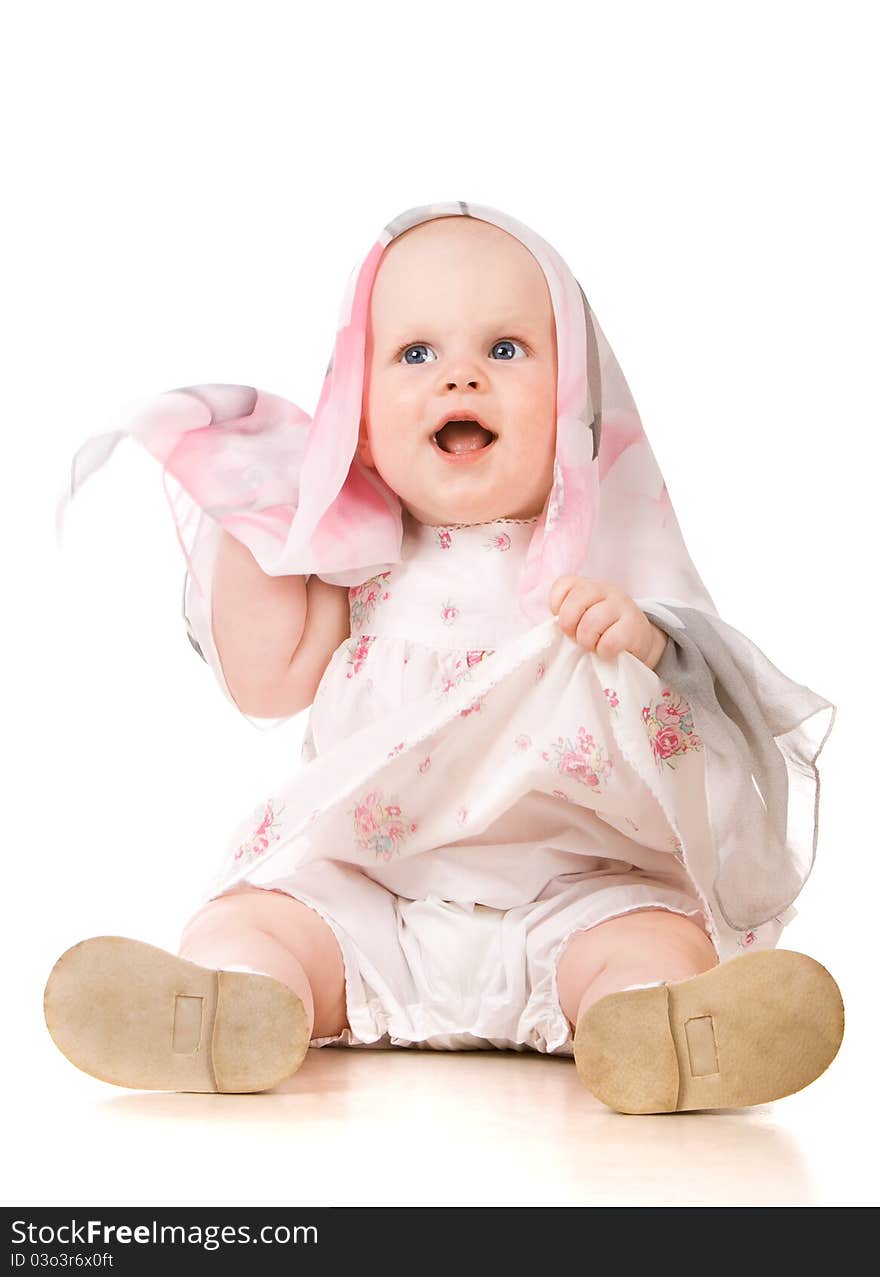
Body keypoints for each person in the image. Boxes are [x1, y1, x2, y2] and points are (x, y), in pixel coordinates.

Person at [44, 201, 843, 1114]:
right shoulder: (358, 556)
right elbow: (269, 679)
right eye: (416, 354)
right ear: (364, 415)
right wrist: (257, 523)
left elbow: (711, 697)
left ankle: (650, 1023)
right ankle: (236, 997)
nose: (460, 377)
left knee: (653, 940)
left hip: (573, 895)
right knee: (254, 917)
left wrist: (644, 641)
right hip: (372, 895)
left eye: (505, 350)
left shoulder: (602, 561)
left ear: (577, 399)